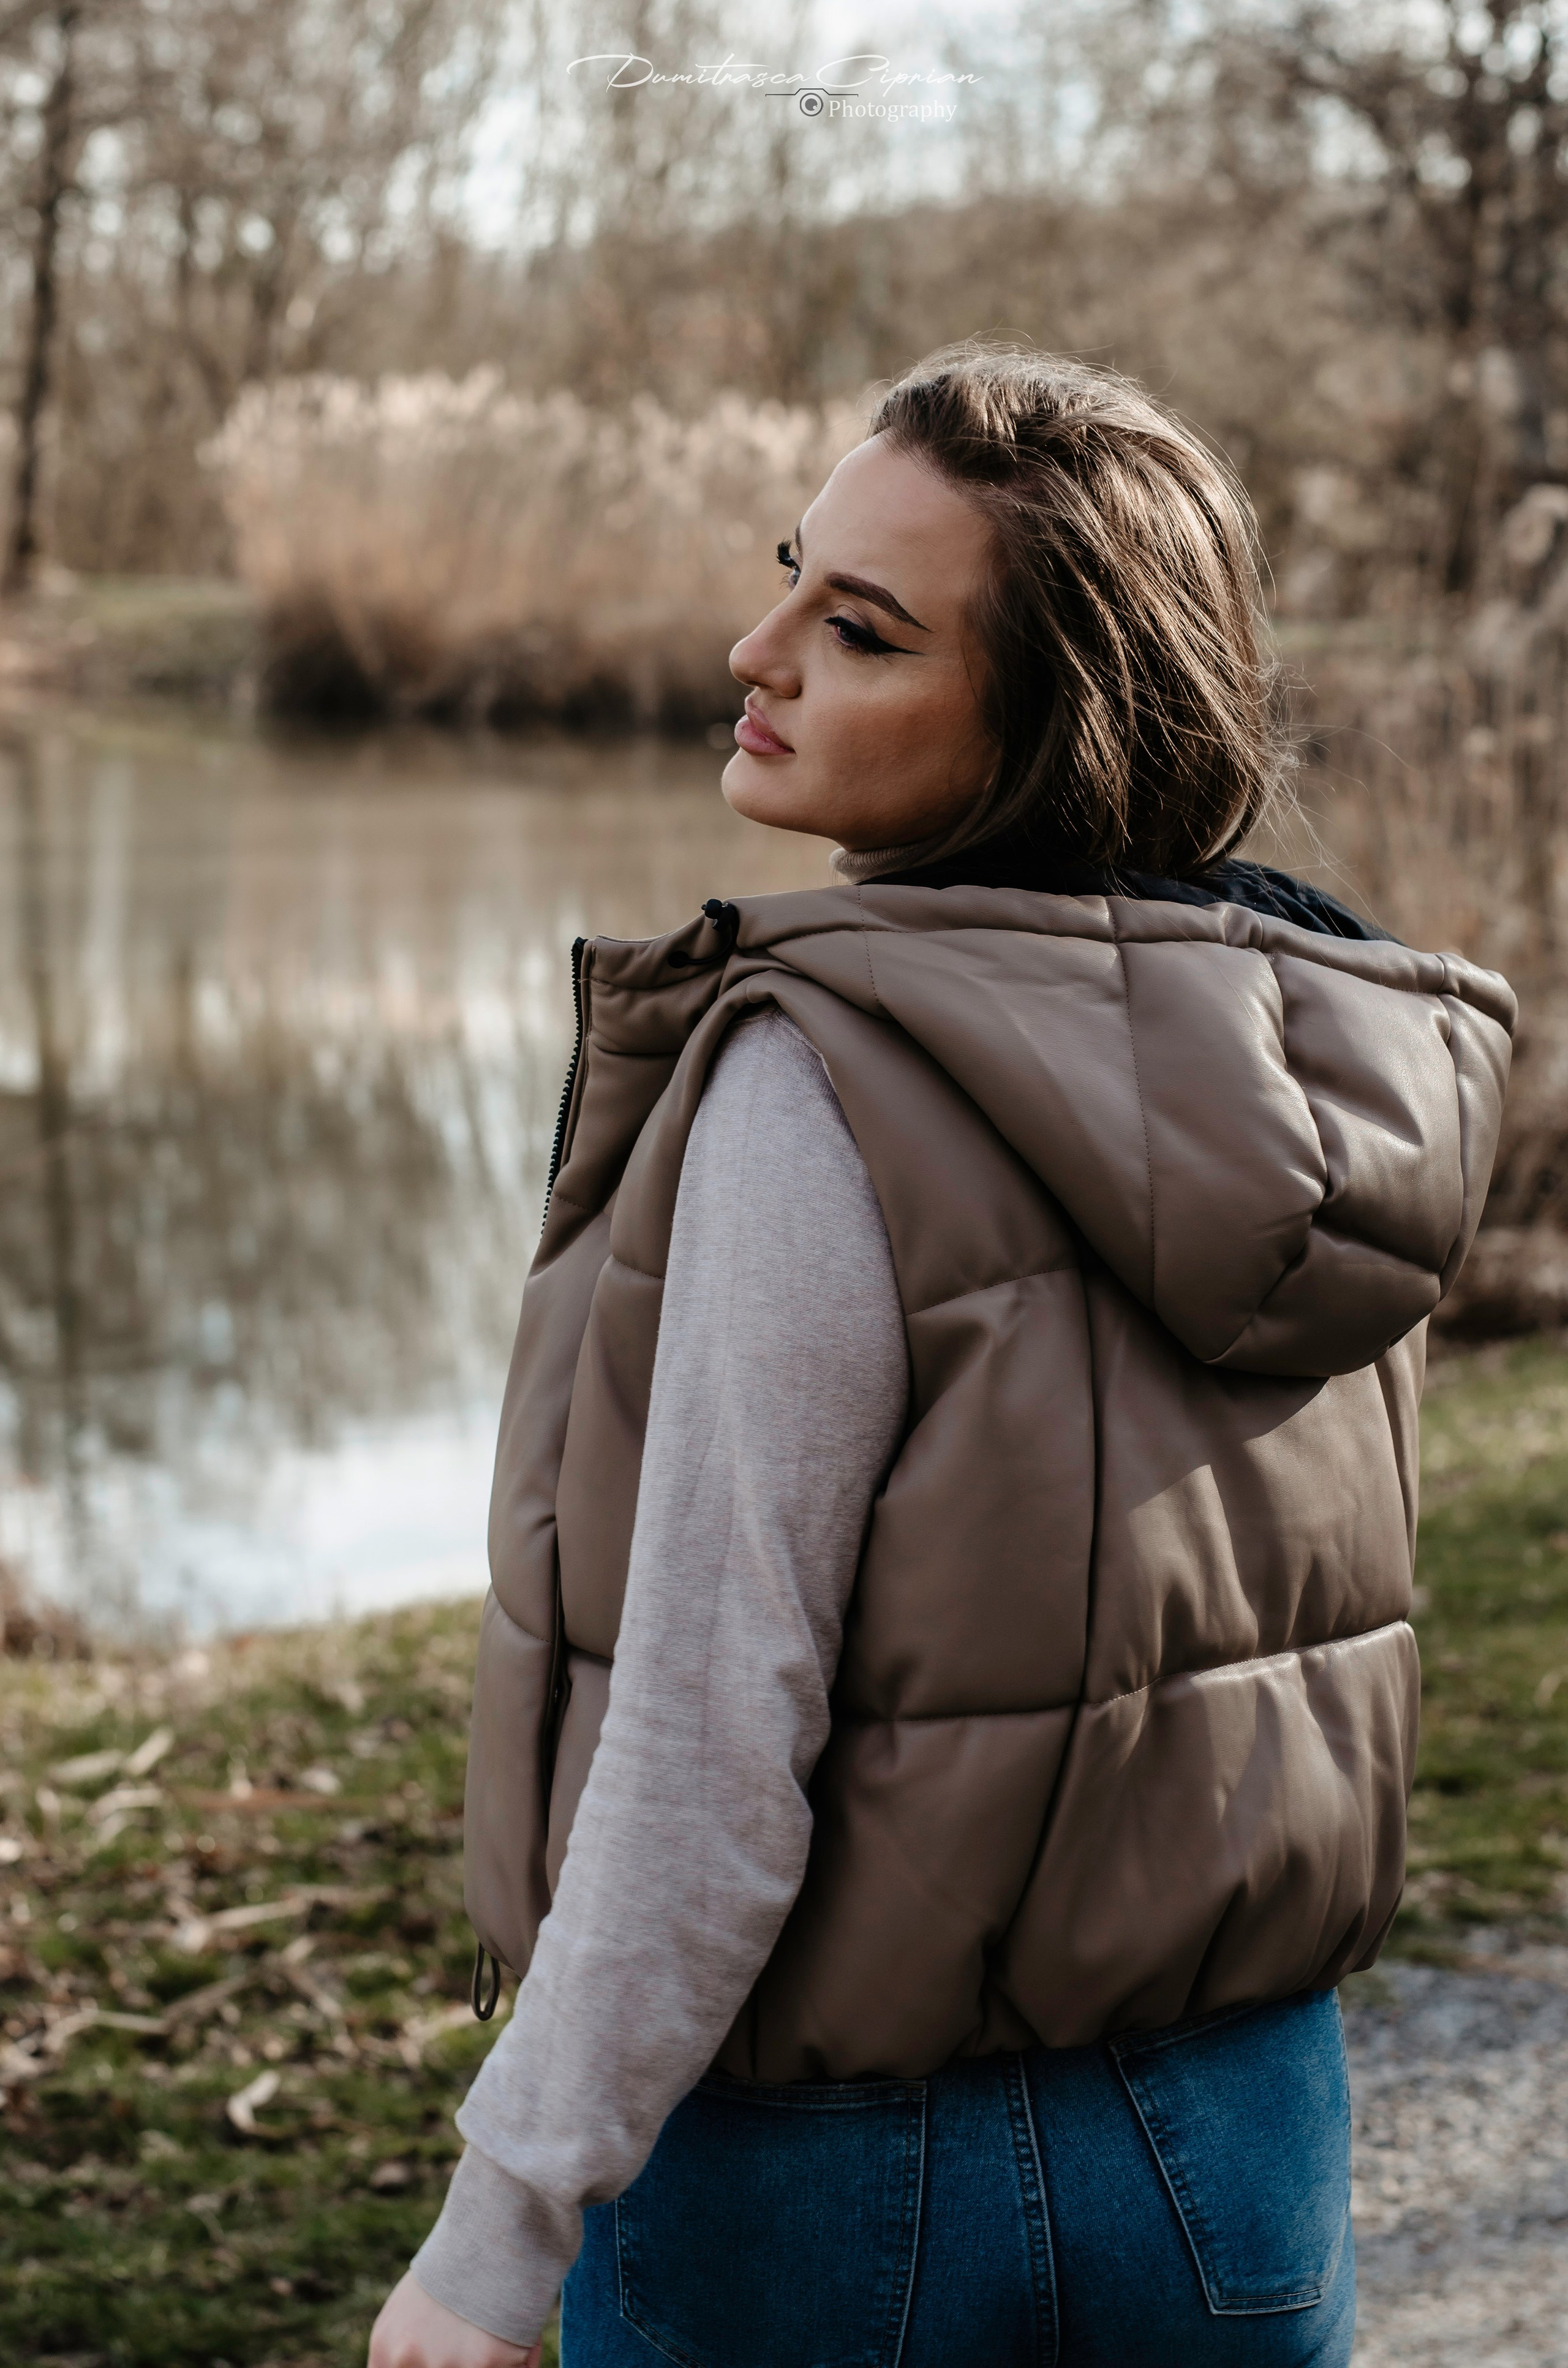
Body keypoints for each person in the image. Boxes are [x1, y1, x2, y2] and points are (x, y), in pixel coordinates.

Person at [369, 346, 1515, 2368]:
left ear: (1045, 725)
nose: (760, 646)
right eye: (792, 574)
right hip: (1241, 2133)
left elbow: (717, 1730)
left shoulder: (820, 1078)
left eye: (862, 629)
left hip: (834, 2181)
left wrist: (499, 2225)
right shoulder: (1331, 1078)